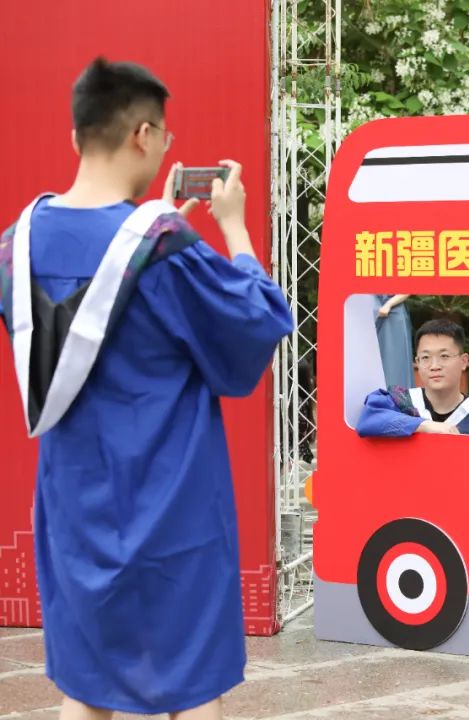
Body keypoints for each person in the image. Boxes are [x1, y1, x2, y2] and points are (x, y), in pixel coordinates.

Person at [0, 58, 293, 720]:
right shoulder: (163, 248)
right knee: (192, 685)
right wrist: (234, 227)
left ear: (77, 137)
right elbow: (255, 323)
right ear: (142, 134)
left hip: (75, 506)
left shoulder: (17, 244)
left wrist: (152, 221)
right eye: (163, 136)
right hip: (172, 510)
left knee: (86, 686)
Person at [356, 318, 469, 436]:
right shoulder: (401, 402)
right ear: (417, 362)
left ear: (463, 361)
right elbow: (368, 419)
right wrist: (422, 425)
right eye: (426, 357)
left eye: (444, 356)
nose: (434, 366)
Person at [374, 293, 414, 389]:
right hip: (370, 314)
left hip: (392, 311)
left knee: (395, 362)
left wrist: (389, 304)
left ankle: (397, 397)